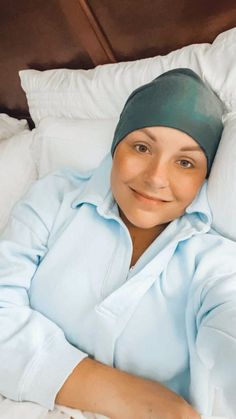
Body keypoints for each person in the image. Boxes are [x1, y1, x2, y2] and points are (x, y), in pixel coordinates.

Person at [0, 68, 235, 419]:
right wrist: (137, 400)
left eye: (185, 162)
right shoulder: (56, 196)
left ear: (204, 177)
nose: (156, 178)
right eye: (141, 147)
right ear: (116, 146)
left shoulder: (217, 262)